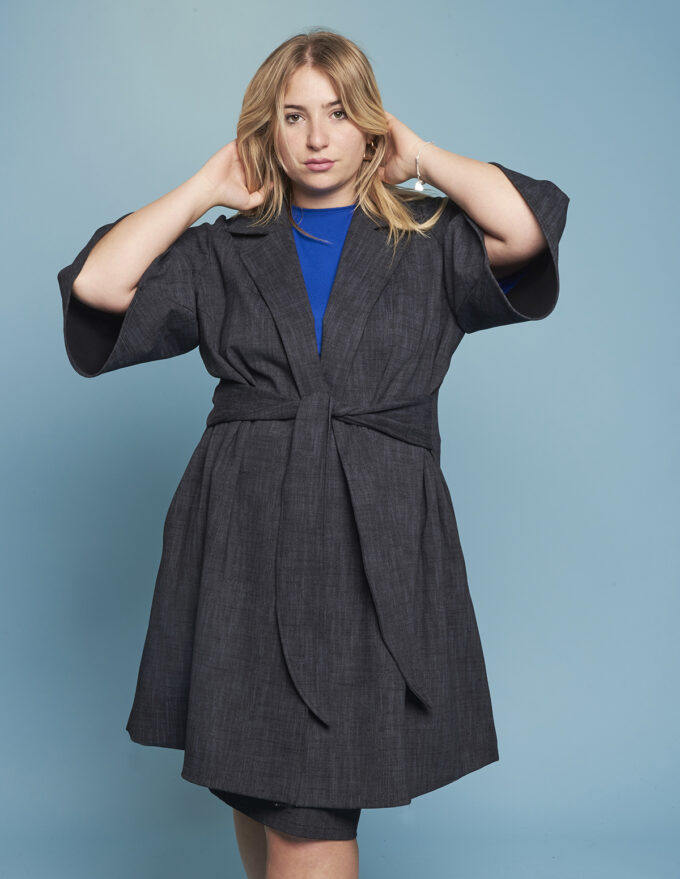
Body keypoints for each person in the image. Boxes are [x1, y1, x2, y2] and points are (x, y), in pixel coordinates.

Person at [57, 27, 569, 879]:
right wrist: (207, 186)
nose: (318, 136)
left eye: (338, 112)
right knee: (254, 778)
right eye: (293, 116)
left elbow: (526, 230)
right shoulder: (227, 248)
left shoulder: (428, 238)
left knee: (310, 803)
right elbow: (99, 286)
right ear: (267, 130)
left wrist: (421, 157)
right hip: (243, 531)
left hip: (373, 543)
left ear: (371, 123)